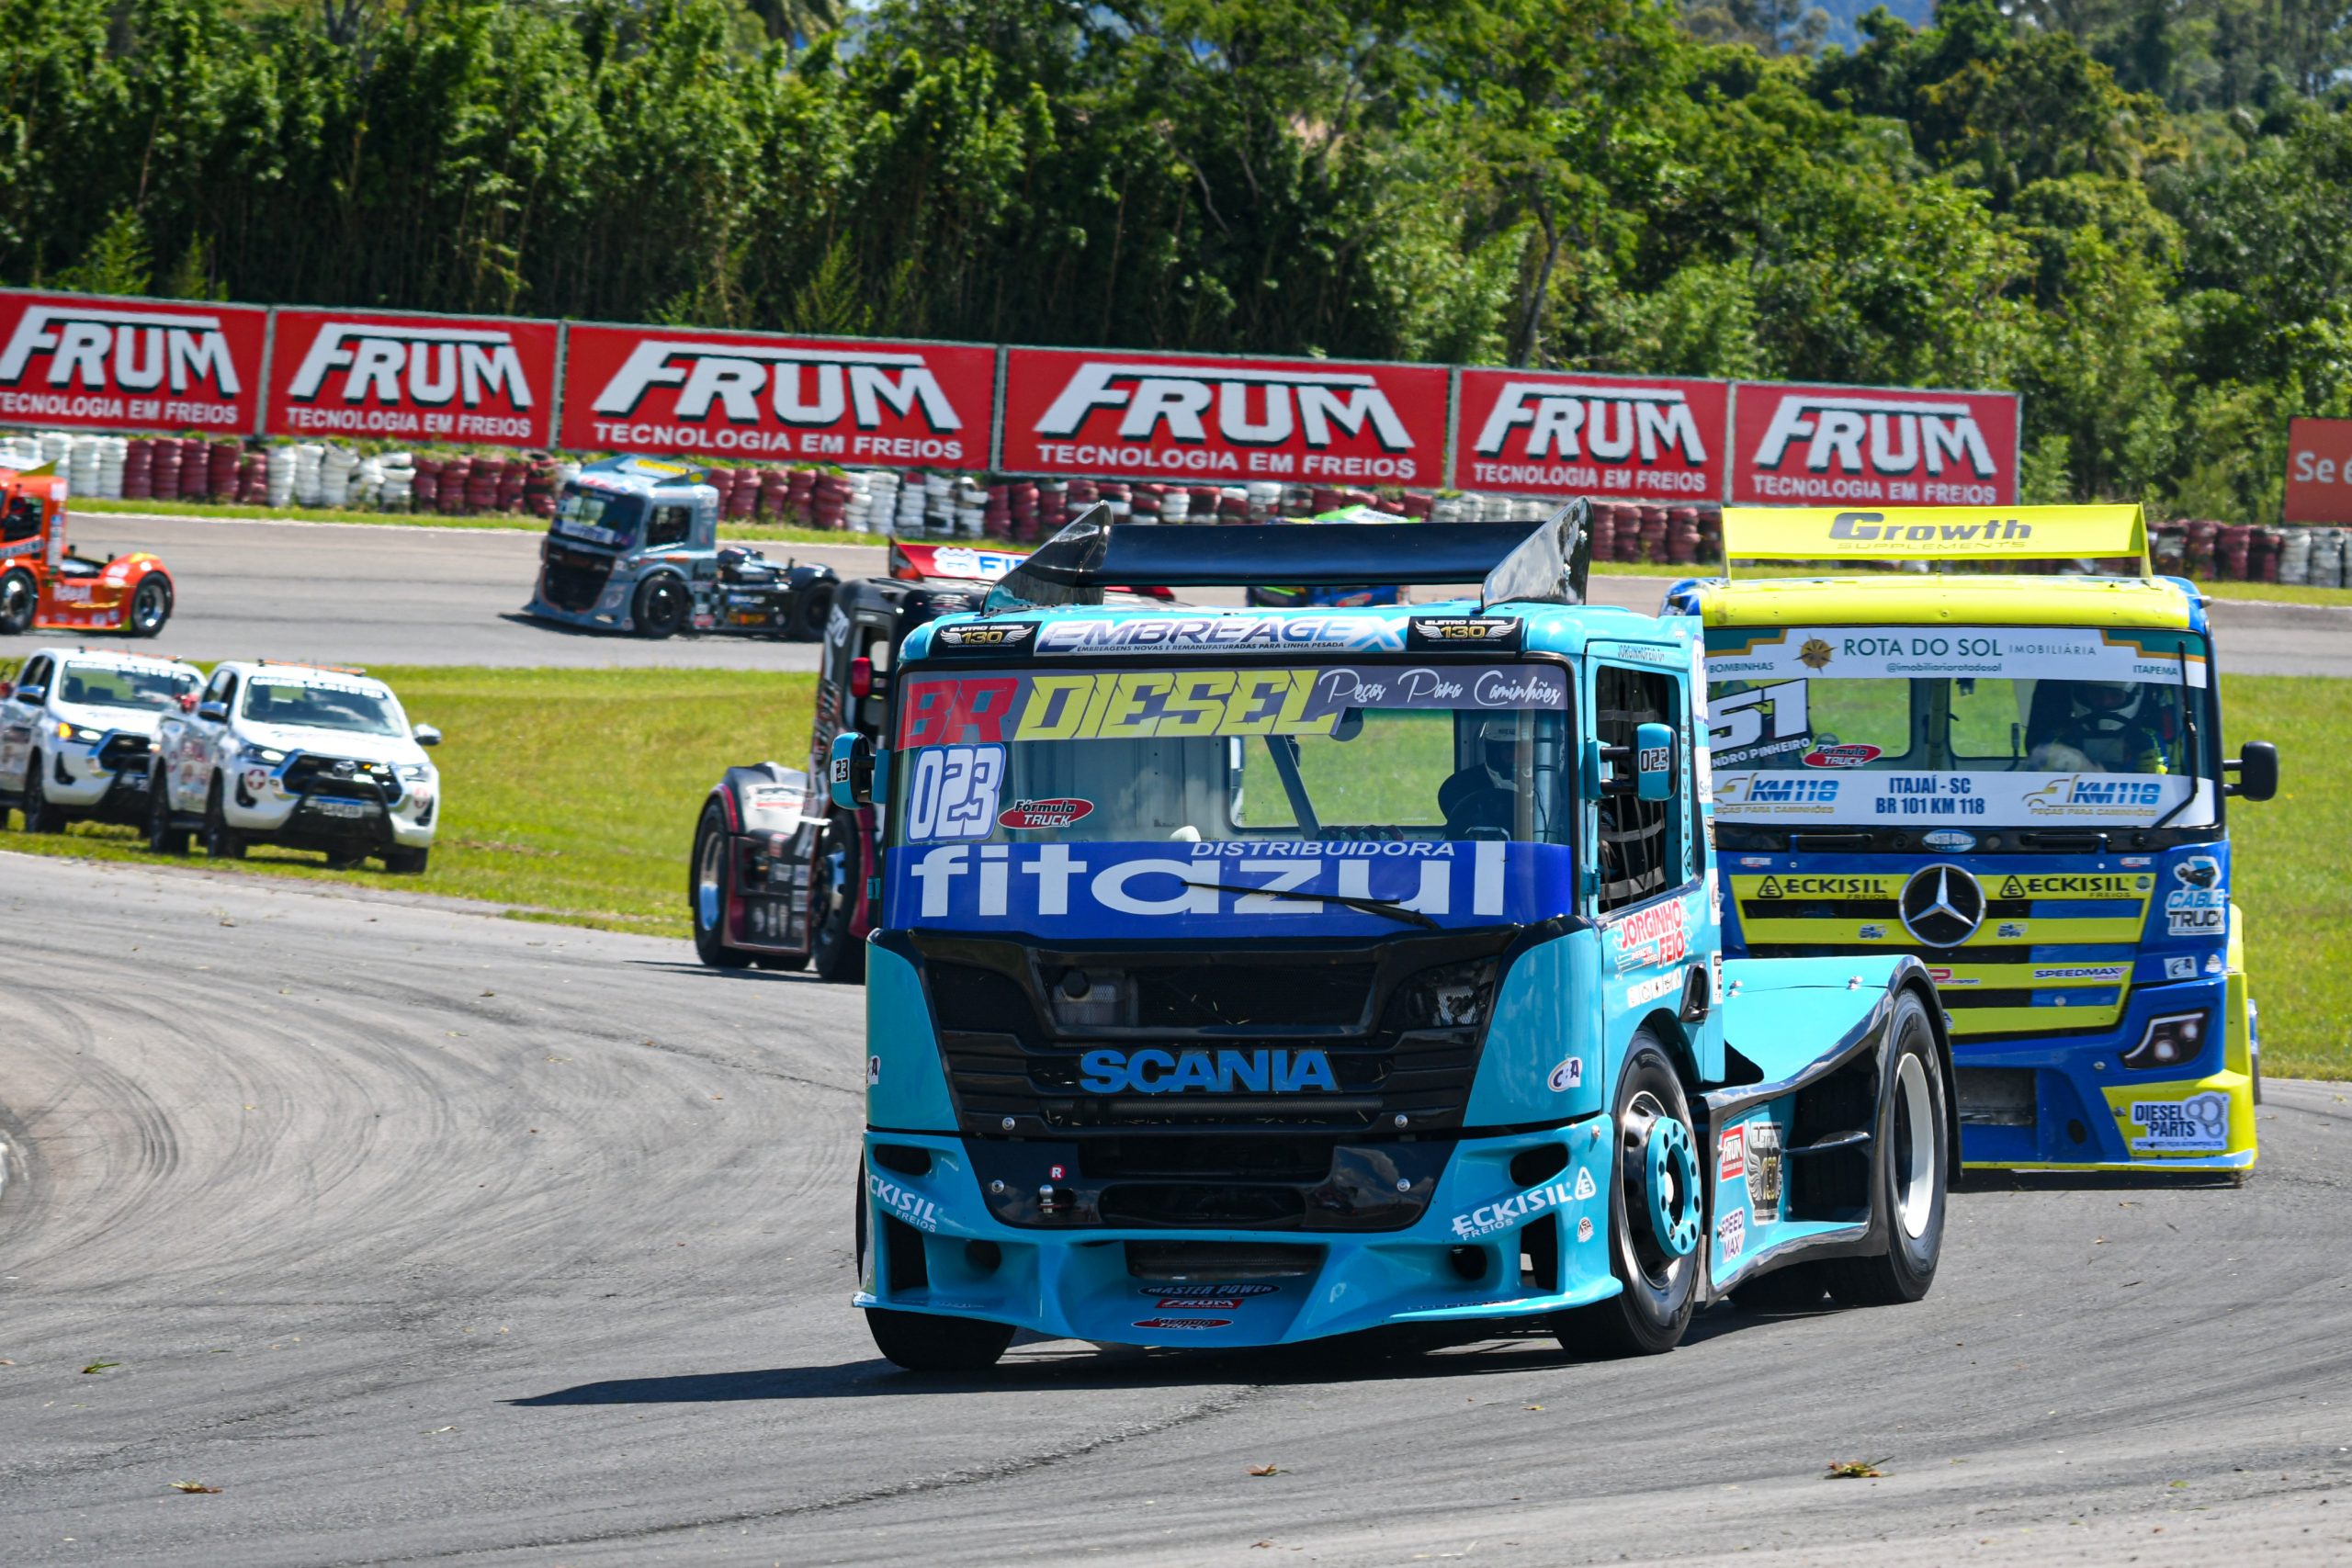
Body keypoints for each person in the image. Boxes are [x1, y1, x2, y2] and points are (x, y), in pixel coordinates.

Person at [2025, 681, 2169, 773]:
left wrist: (2156, 772)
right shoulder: (2060, 737)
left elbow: (2162, 779)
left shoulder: (2147, 738)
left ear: (2133, 695)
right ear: (2081, 694)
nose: (2105, 701)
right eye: (2096, 693)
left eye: (2115, 695)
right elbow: (2036, 769)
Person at [1439, 717, 1519, 837]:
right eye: (1506, 748)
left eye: (1520, 748)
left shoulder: (1546, 785)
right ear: (1490, 748)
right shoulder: (1458, 784)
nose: (1513, 754)